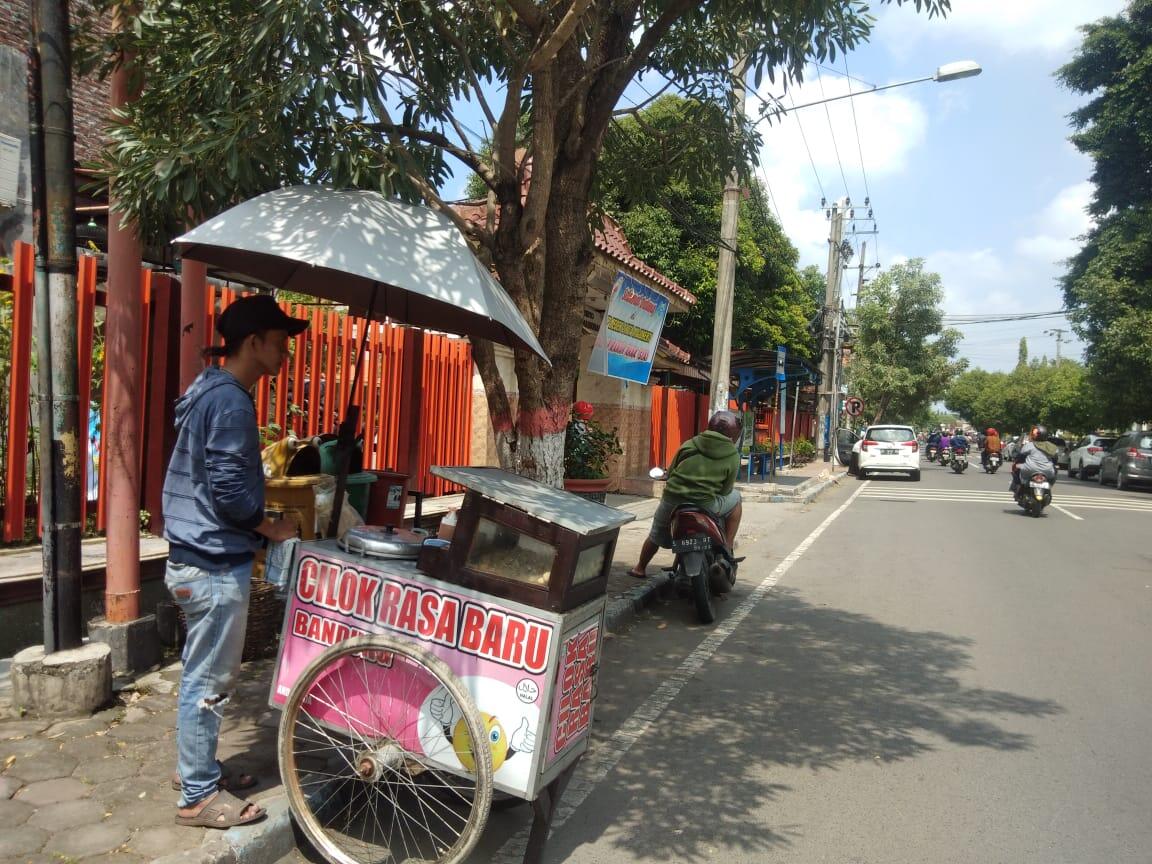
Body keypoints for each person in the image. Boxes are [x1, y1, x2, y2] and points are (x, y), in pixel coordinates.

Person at [162, 294, 307, 829]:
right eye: (280, 340)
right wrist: (271, 526)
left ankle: (198, 768)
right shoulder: (231, 401)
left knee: (201, 674)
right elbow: (228, 493)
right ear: (254, 343)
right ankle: (198, 796)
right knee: (211, 681)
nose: (286, 350)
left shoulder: (214, 391)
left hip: (196, 557)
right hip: (212, 563)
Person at [628, 410, 742, 579]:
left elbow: (672, 471)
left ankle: (640, 568)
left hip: (673, 500)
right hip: (705, 504)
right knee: (736, 499)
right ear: (734, 434)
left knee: (655, 534)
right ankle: (728, 545)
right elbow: (725, 490)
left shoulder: (690, 444)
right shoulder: (732, 456)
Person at [1010, 424, 1058, 494]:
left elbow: (1020, 456)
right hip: (1048, 471)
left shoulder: (1029, 445)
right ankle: (1048, 489)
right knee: (1055, 471)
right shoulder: (1052, 447)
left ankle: (1017, 489)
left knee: (1016, 468)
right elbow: (1055, 459)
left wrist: (1016, 463)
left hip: (1029, 469)